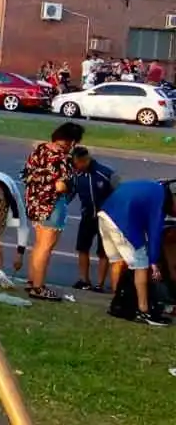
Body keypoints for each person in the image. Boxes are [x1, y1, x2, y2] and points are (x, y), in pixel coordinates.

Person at [98, 179, 176, 325]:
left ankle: (119, 303)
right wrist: (153, 261)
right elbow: (154, 234)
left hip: (105, 214)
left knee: (118, 262)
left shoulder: (153, 188)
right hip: (121, 221)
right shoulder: (159, 202)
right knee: (141, 264)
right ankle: (143, 310)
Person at [22, 122, 85, 301]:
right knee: (46, 247)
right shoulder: (62, 158)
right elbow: (60, 186)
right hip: (52, 205)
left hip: (34, 202)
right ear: (71, 141)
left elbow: (26, 174)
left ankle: (32, 281)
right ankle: (38, 287)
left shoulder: (39, 150)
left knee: (38, 244)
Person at [71, 147, 120, 292]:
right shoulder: (76, 175)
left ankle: (100, 284)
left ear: (84, 160)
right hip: (87, 216)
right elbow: (70, 193)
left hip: (106, 218)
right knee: (82, 247)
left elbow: (119, 194)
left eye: (77, 163)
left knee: (104, 251)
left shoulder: (105, 173)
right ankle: (84, 280)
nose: (75, 166)